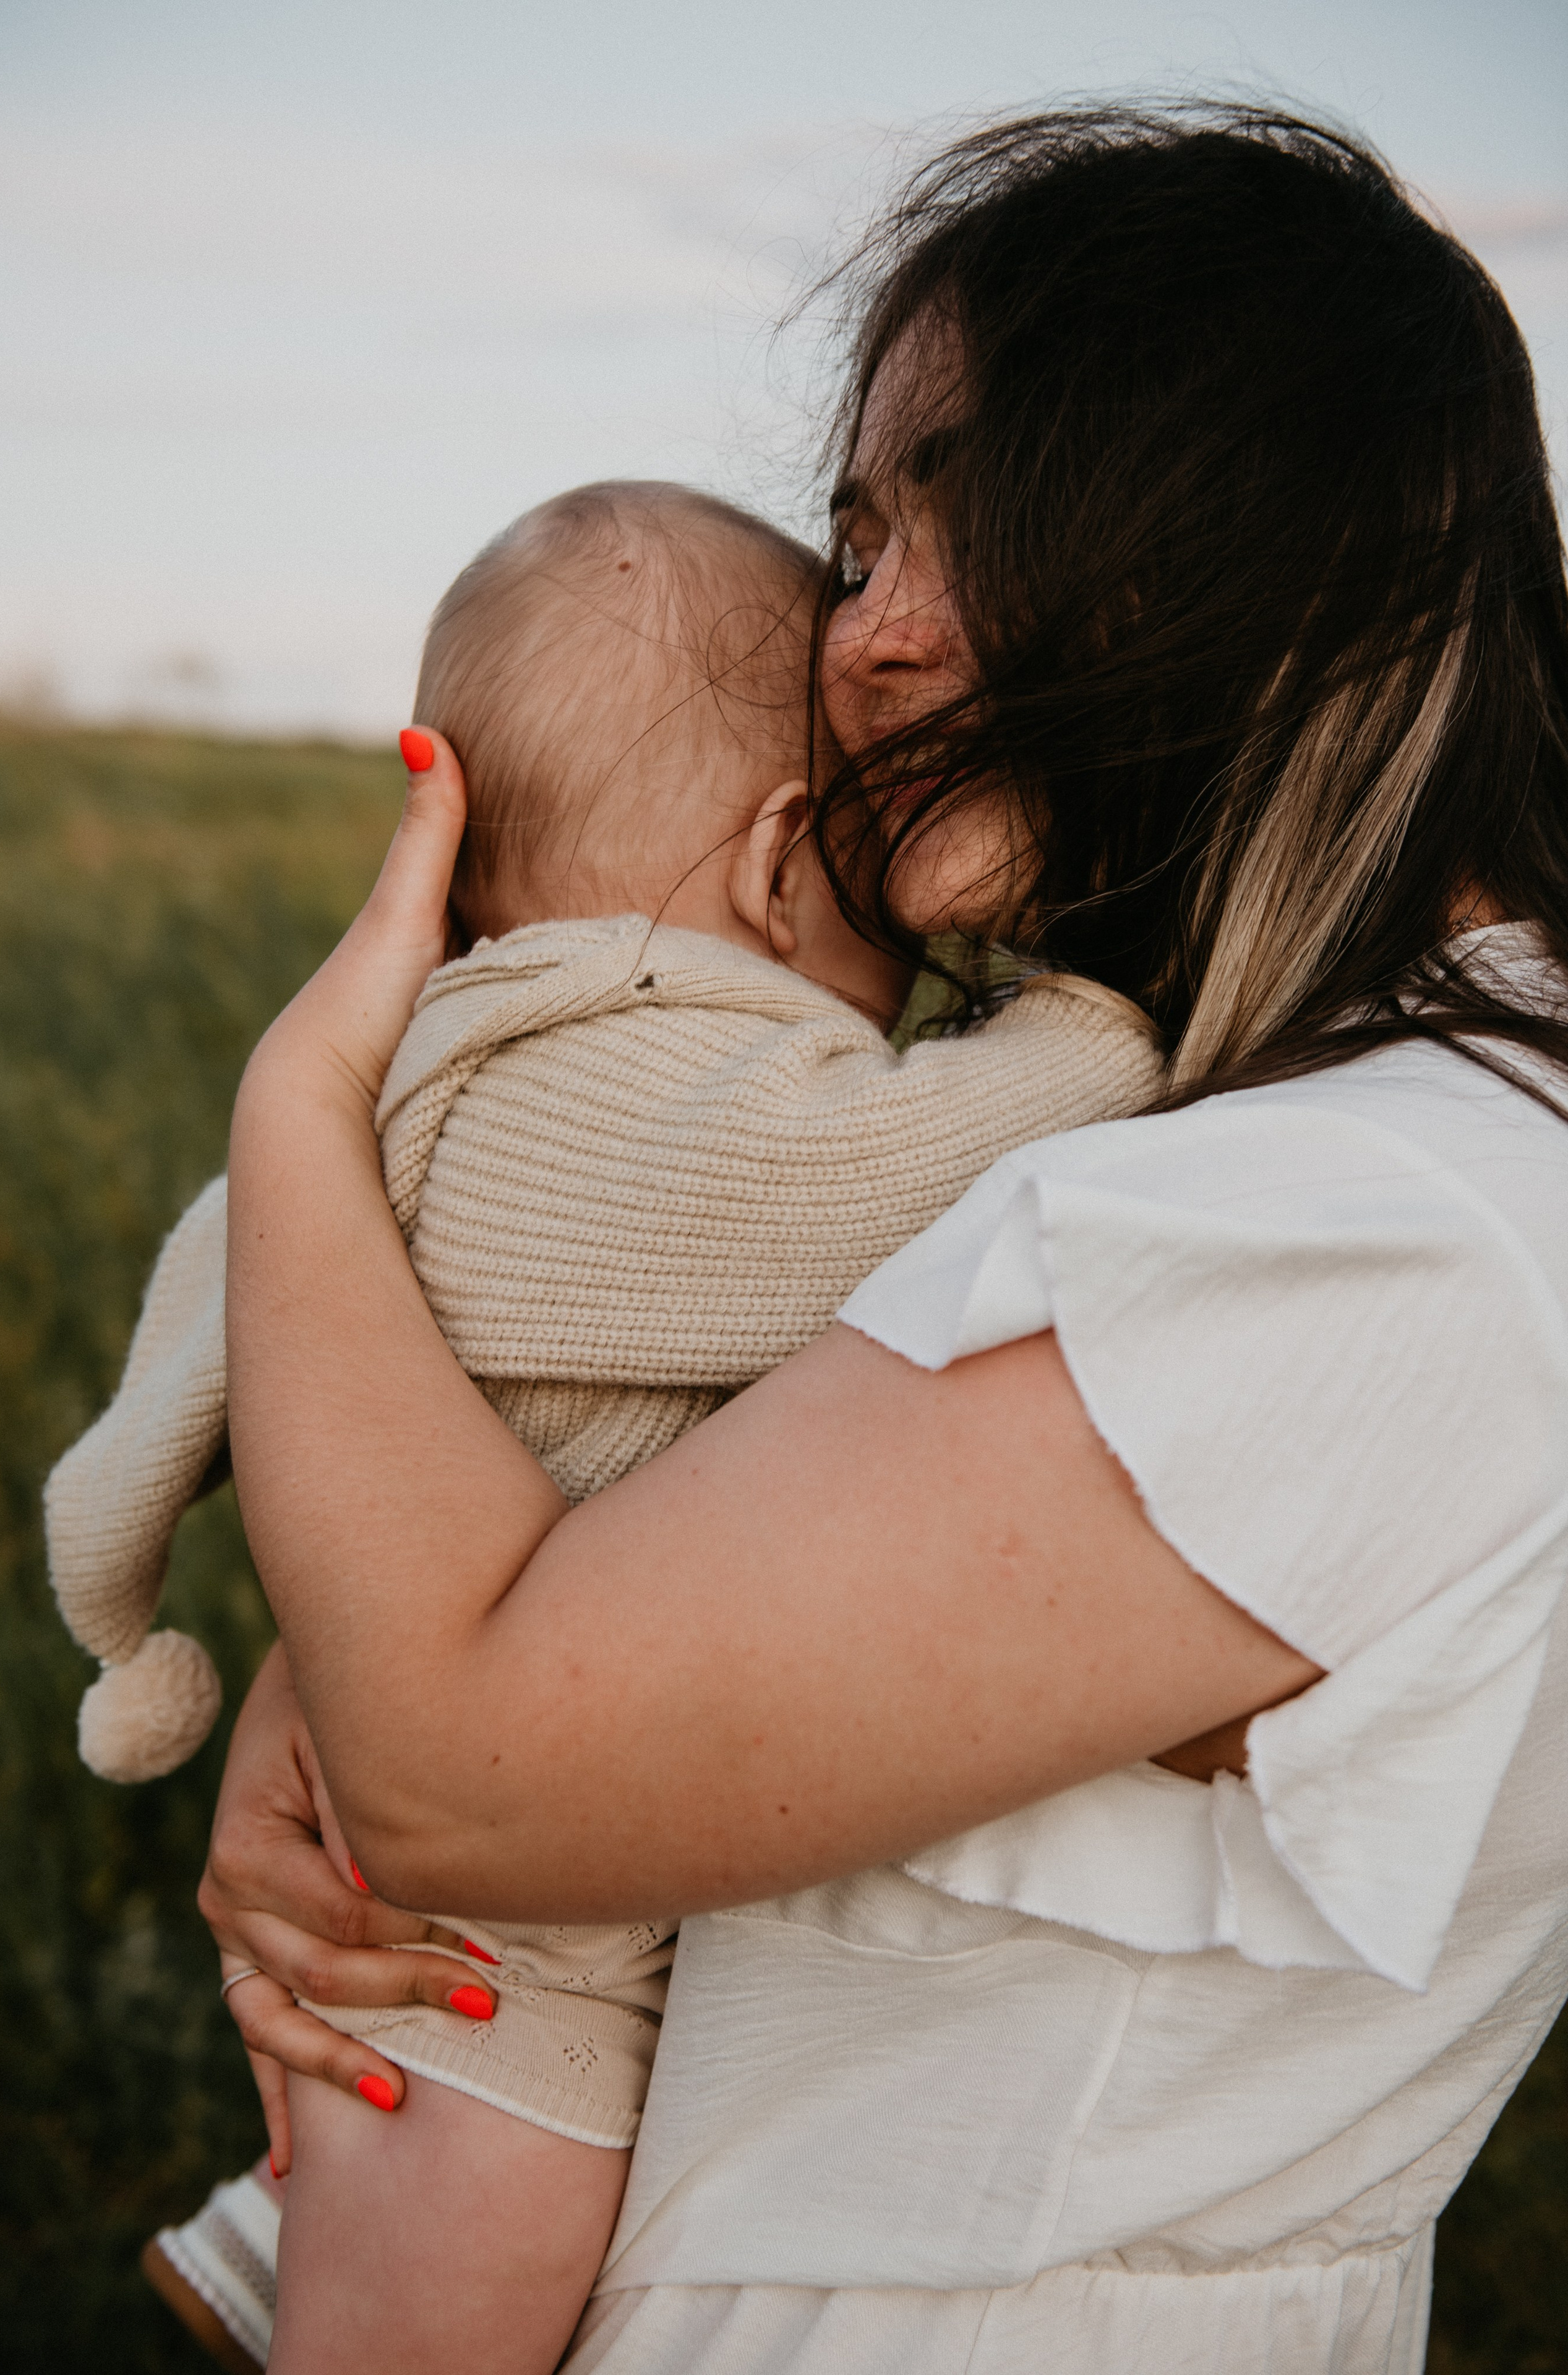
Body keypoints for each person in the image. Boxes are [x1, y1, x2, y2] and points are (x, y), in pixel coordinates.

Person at [198, 106, 1568, 2374]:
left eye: (992, 529)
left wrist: (304, 1101)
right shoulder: (1277, 1137)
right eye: (860, 536)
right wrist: (330, 1669)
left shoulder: (1380, 1219)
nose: (871, 644)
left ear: (1283, 578)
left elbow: (462, 1752)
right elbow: (678, 1574)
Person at [51, 481, 1158, 2370]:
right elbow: (887, 1185)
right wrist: (1093, 1029)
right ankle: (326, 2278)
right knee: (471, 2259)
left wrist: (127, 1576)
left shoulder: (438, 1047)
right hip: (516, 1949)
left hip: (478, 1832)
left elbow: (213, 1294)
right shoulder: (655, 1077)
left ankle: (298, 2233)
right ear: (785, 858)